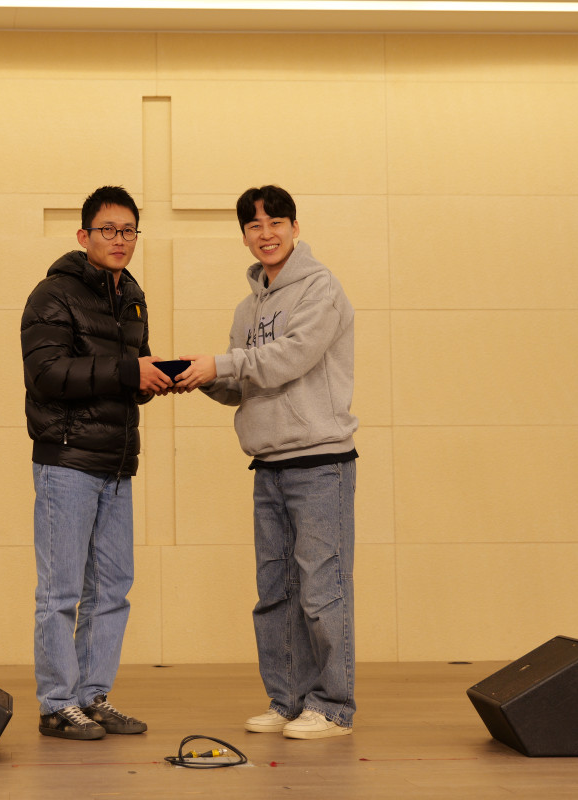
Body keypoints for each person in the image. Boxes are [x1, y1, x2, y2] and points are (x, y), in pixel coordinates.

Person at [175, 184, 358, 740]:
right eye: (254, 225)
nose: (266, 233)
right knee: (275, 592)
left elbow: (290, 357)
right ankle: (288, 699)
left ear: (295, 228)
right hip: (268, 464)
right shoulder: (247, 308)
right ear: (244, 237)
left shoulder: (321, 288)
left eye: (276, 222)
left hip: (320, 462)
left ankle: (333, 707)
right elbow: (242, 385)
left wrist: (222, 363)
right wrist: (197, 377)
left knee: (322, 590)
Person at [20, 186, 172, 740]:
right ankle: (57, 704)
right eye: (108, 229)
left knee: (112, 589)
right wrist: (129, 372)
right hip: (66, 461)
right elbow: (47, 375)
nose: (119, 239)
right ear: (84, 236)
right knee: (60, 593)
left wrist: (152, 378)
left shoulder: (132, 295)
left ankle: (91, 696)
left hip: (116, 463)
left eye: (128, 230)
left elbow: (126, 374)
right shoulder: (52, 295)